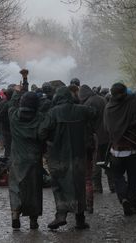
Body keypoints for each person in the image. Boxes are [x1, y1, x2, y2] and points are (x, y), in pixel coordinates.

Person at [40, 87, 96, 230]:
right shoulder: (81, 110)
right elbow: (94, 113)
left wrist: (49, 141)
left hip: (58, 157)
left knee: (59, 186)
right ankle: (80, 219)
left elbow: (42, 132)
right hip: (78, 156)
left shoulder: (53, 112)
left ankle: (61, 216)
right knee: (78, 186)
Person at [104, 83, 136, 216]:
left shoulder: (108, 107)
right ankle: (133, 203)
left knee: (117, 176)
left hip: (115, 149)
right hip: (133, 148)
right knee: (133, 176)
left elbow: (107, 128)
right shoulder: (135, 102)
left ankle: (123, 198)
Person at [8, 90, 46, 230]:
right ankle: (33, 221)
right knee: (34, 189)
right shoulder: (41, 118)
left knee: (15, 187)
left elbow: (12, 102)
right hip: (34, 158)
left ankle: (15, 214)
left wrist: (18, 91)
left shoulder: (13, 116)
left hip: (17, 158)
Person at [78, 85, 113, 212]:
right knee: (107, 161)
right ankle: (113, 185)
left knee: (96, 163)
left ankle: (97, 187)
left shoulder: (88, 103)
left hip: (97, 136)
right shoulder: (101, 99)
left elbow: (89, 121)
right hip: (107, 135)